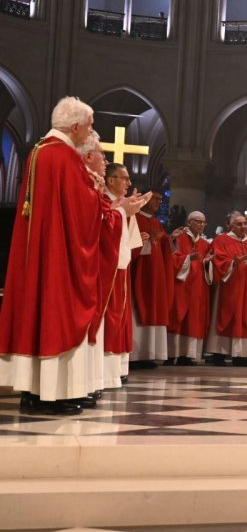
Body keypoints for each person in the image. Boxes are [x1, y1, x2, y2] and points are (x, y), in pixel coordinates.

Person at [0, 97, 149, 415]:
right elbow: (84, 212)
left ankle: (35, 392)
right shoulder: (64, 158)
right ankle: (53, 394)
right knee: (60, 316)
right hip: (63, 257)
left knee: (39, 315)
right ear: (76, 126)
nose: (92, 131)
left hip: (45, 251)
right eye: (91, 125)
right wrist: (116, 210)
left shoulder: (40, 152)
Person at [100, 163, 146, 387]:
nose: (129, 183)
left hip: (121, 266)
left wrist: (131, 211)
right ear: (110, 180)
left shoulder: (121, 204)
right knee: (110, 315)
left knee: (120, 314)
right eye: (124, 178)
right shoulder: (104, 201)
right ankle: (105, 372)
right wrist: (124, 211)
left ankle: (117, 368)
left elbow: (130, 242)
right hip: (106, 267)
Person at [205, 213, 247, 367]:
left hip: (246, 288)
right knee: (224, 316)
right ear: (230, 225)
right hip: (228, 287)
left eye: (245, 224)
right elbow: (217, 260)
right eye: (239, 224)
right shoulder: (221, 240)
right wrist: (232, 263)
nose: (243, 227)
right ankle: (218, 353)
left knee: (244, 317)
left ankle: (241, 355)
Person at [129, 190, 174, 366]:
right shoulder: (135, 219)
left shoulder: (156, 223)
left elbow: (165, 252)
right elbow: (127, 245)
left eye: (160, 199)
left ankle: (149, 354)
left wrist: (170, 240)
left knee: (155, 309)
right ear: (144, 199)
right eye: (155, 198)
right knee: (138, 311)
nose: (158, 202)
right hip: (140, 274)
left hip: (156, 276)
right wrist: (146, 242)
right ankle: (135, 355)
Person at [169, 211, 213, 366]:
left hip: (197, 287)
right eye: (198, 221)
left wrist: (208, 263)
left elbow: (208, 265)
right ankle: (171, 354)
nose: (201, 225)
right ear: (189, 222)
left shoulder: (205, 244)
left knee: (194, 319)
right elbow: (171, 259)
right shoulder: (179, 238)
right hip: (181, 285)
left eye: (203, 222)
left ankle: (187, 355)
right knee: (178, 316)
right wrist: (188, 258)